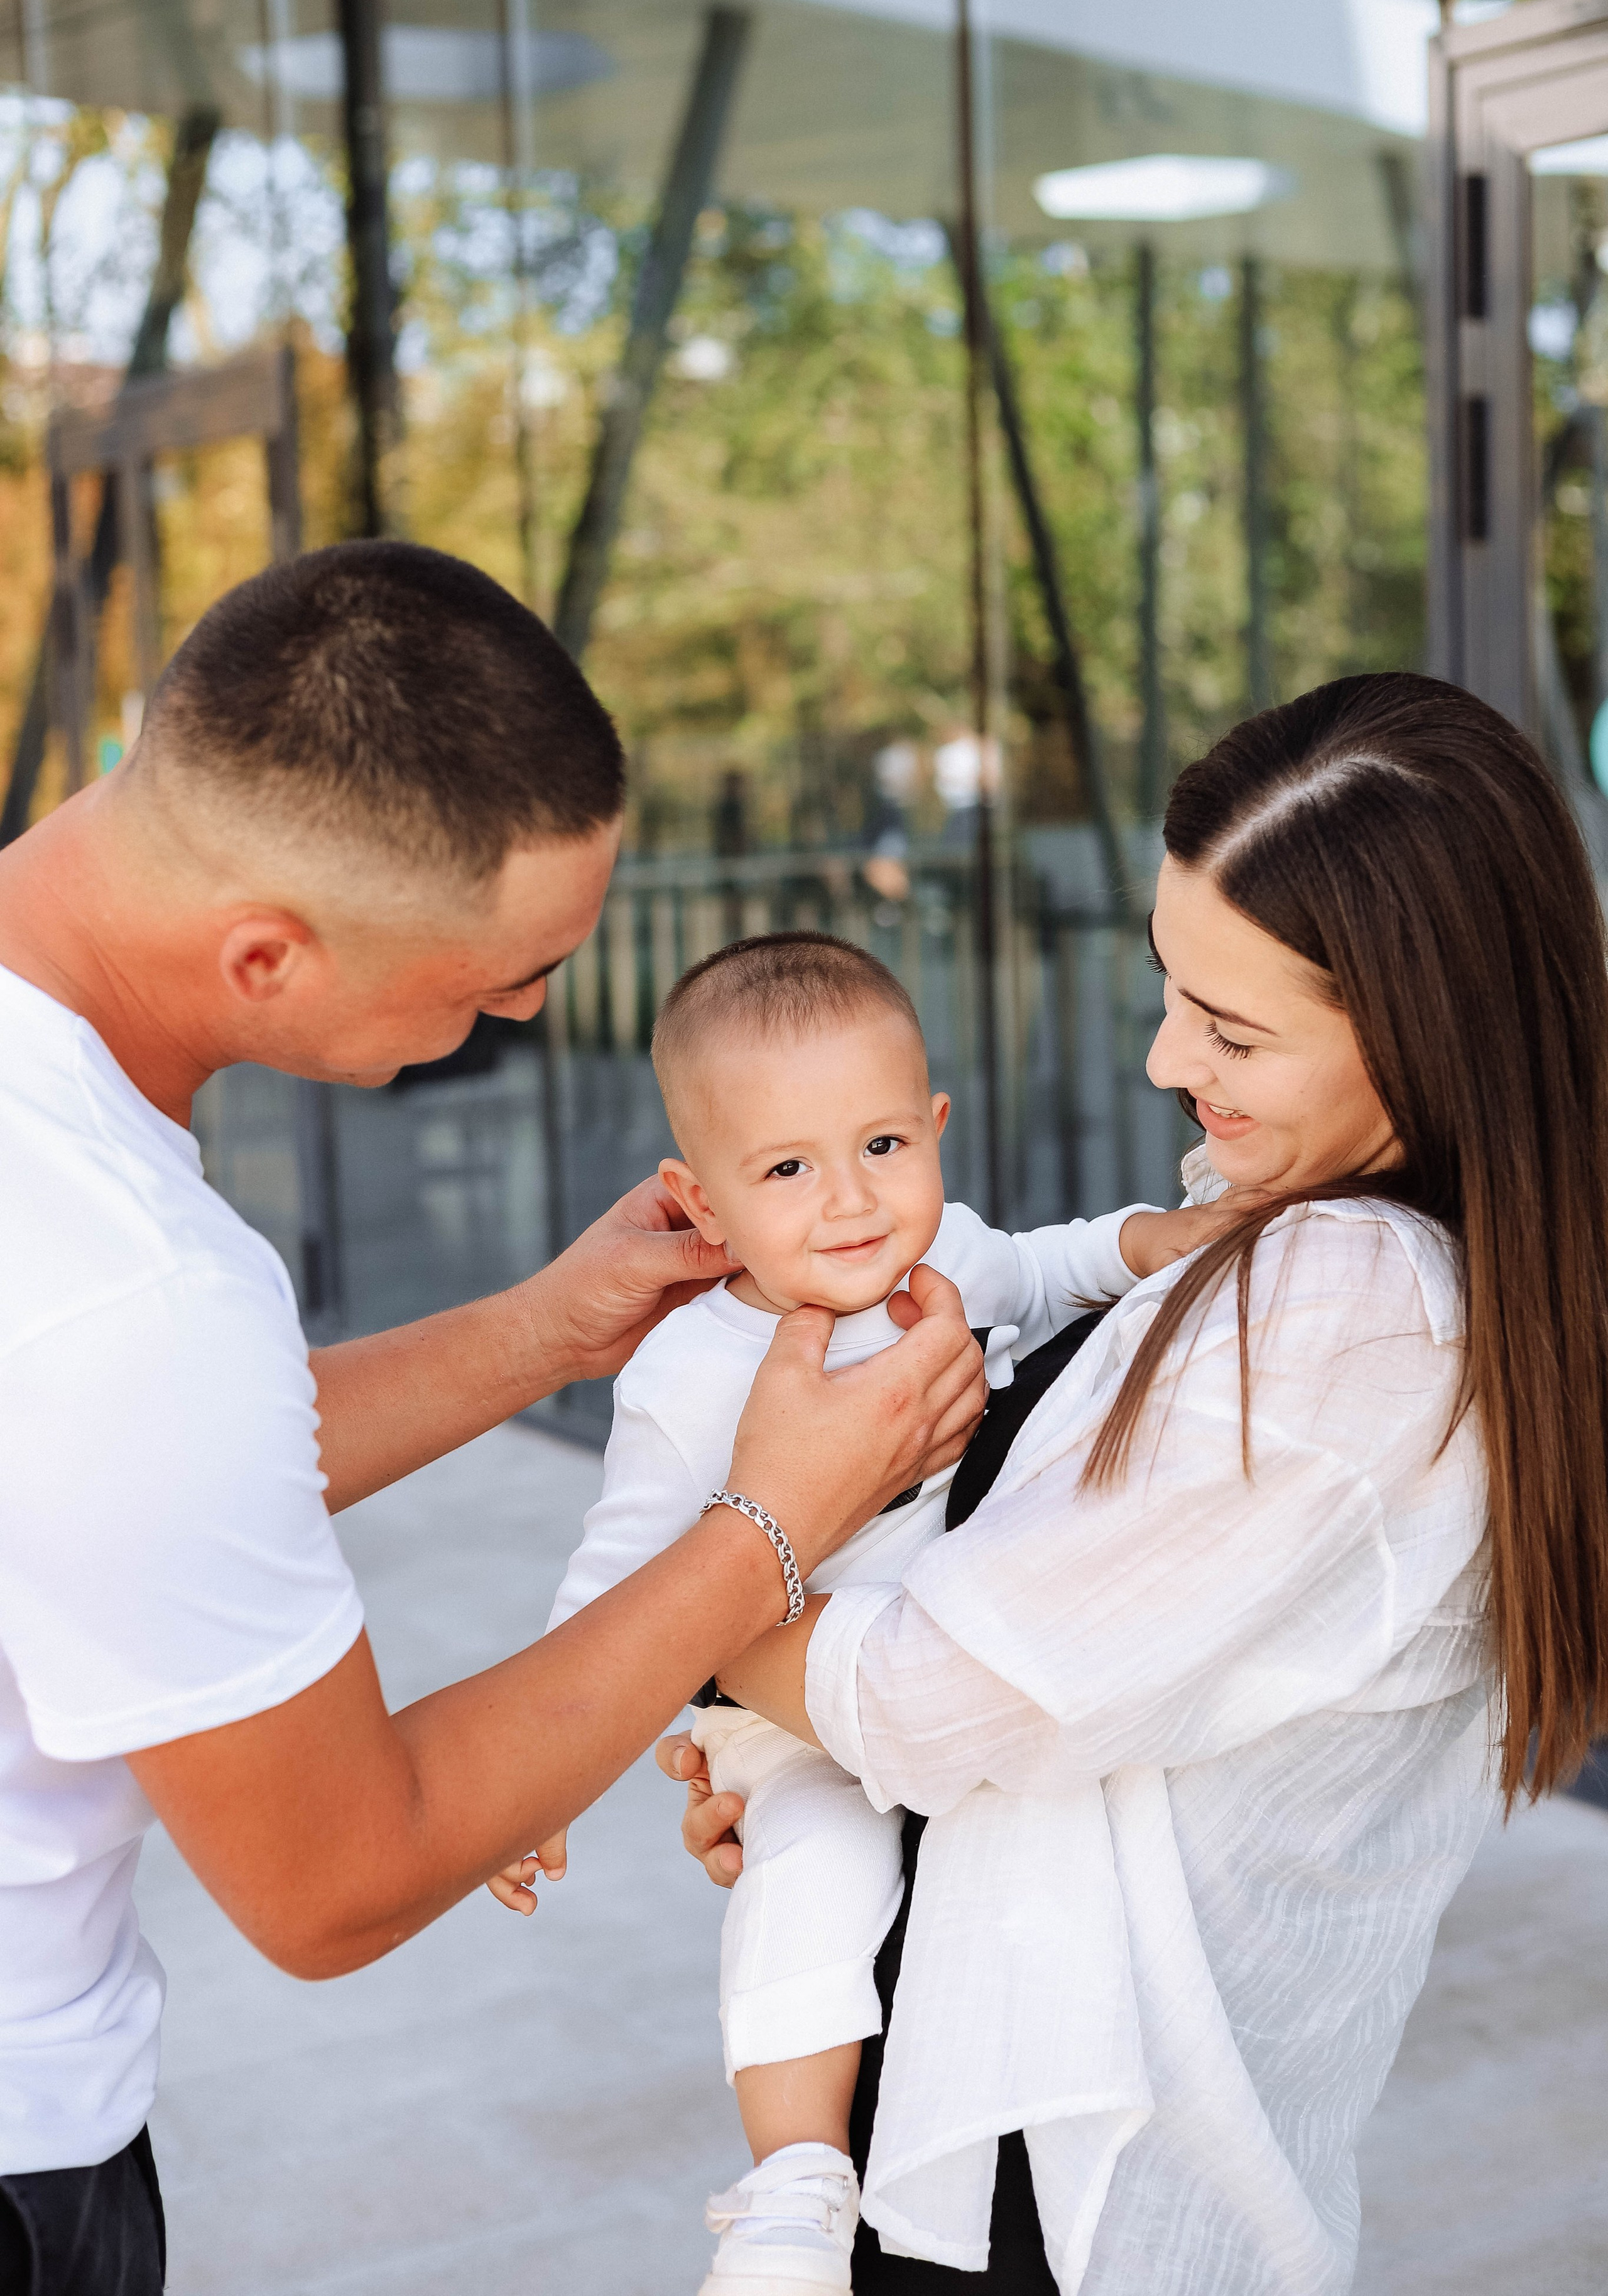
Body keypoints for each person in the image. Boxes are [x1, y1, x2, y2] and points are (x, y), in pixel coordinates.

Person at [0, 541, 987, 2296]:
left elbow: (114, 1472)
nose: (528, 1010)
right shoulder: (137, 1295)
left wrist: (548, 1331)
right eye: (495, 977)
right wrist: (768, 1527)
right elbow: (339, 1879)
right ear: (268, 956)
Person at [665, 672, 1608, 2295]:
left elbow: (945, 1698)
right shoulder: (1295, 1236)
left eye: (1235, 1030)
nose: (1174, 1059)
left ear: (1429, 1031)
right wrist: (796, 1734)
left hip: (1065, 2187)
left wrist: (711, 1599)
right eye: (1173, 989)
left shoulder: (1355, 1312)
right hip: (1009, 2096)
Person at [490, 931, 1238, 2293]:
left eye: (882, 1145)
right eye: (786, 1169)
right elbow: (612, 1583)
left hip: (974, 1692)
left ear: (935, 1128)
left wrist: (1160, 1241)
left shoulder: (947, 1256)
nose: (848, 1201)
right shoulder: (686, 1370)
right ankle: (793, 2186)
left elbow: (1059, 1263)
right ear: (698, 1200)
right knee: (808, 1880)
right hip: (795, 1726)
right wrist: (537, 1773)